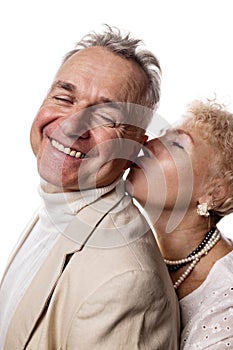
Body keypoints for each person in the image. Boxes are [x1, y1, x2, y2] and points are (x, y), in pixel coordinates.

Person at [0, 25, 180, 349]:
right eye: (64, 98)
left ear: (135, 148)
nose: (72, 125)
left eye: (105, 117)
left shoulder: (126, 283)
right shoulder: (58, 205)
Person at [127, 98, 233, 349]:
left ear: (214, 192)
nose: (148, 144)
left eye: (176, 144)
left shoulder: (226, 303)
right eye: (160, 135)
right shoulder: (131, 247)